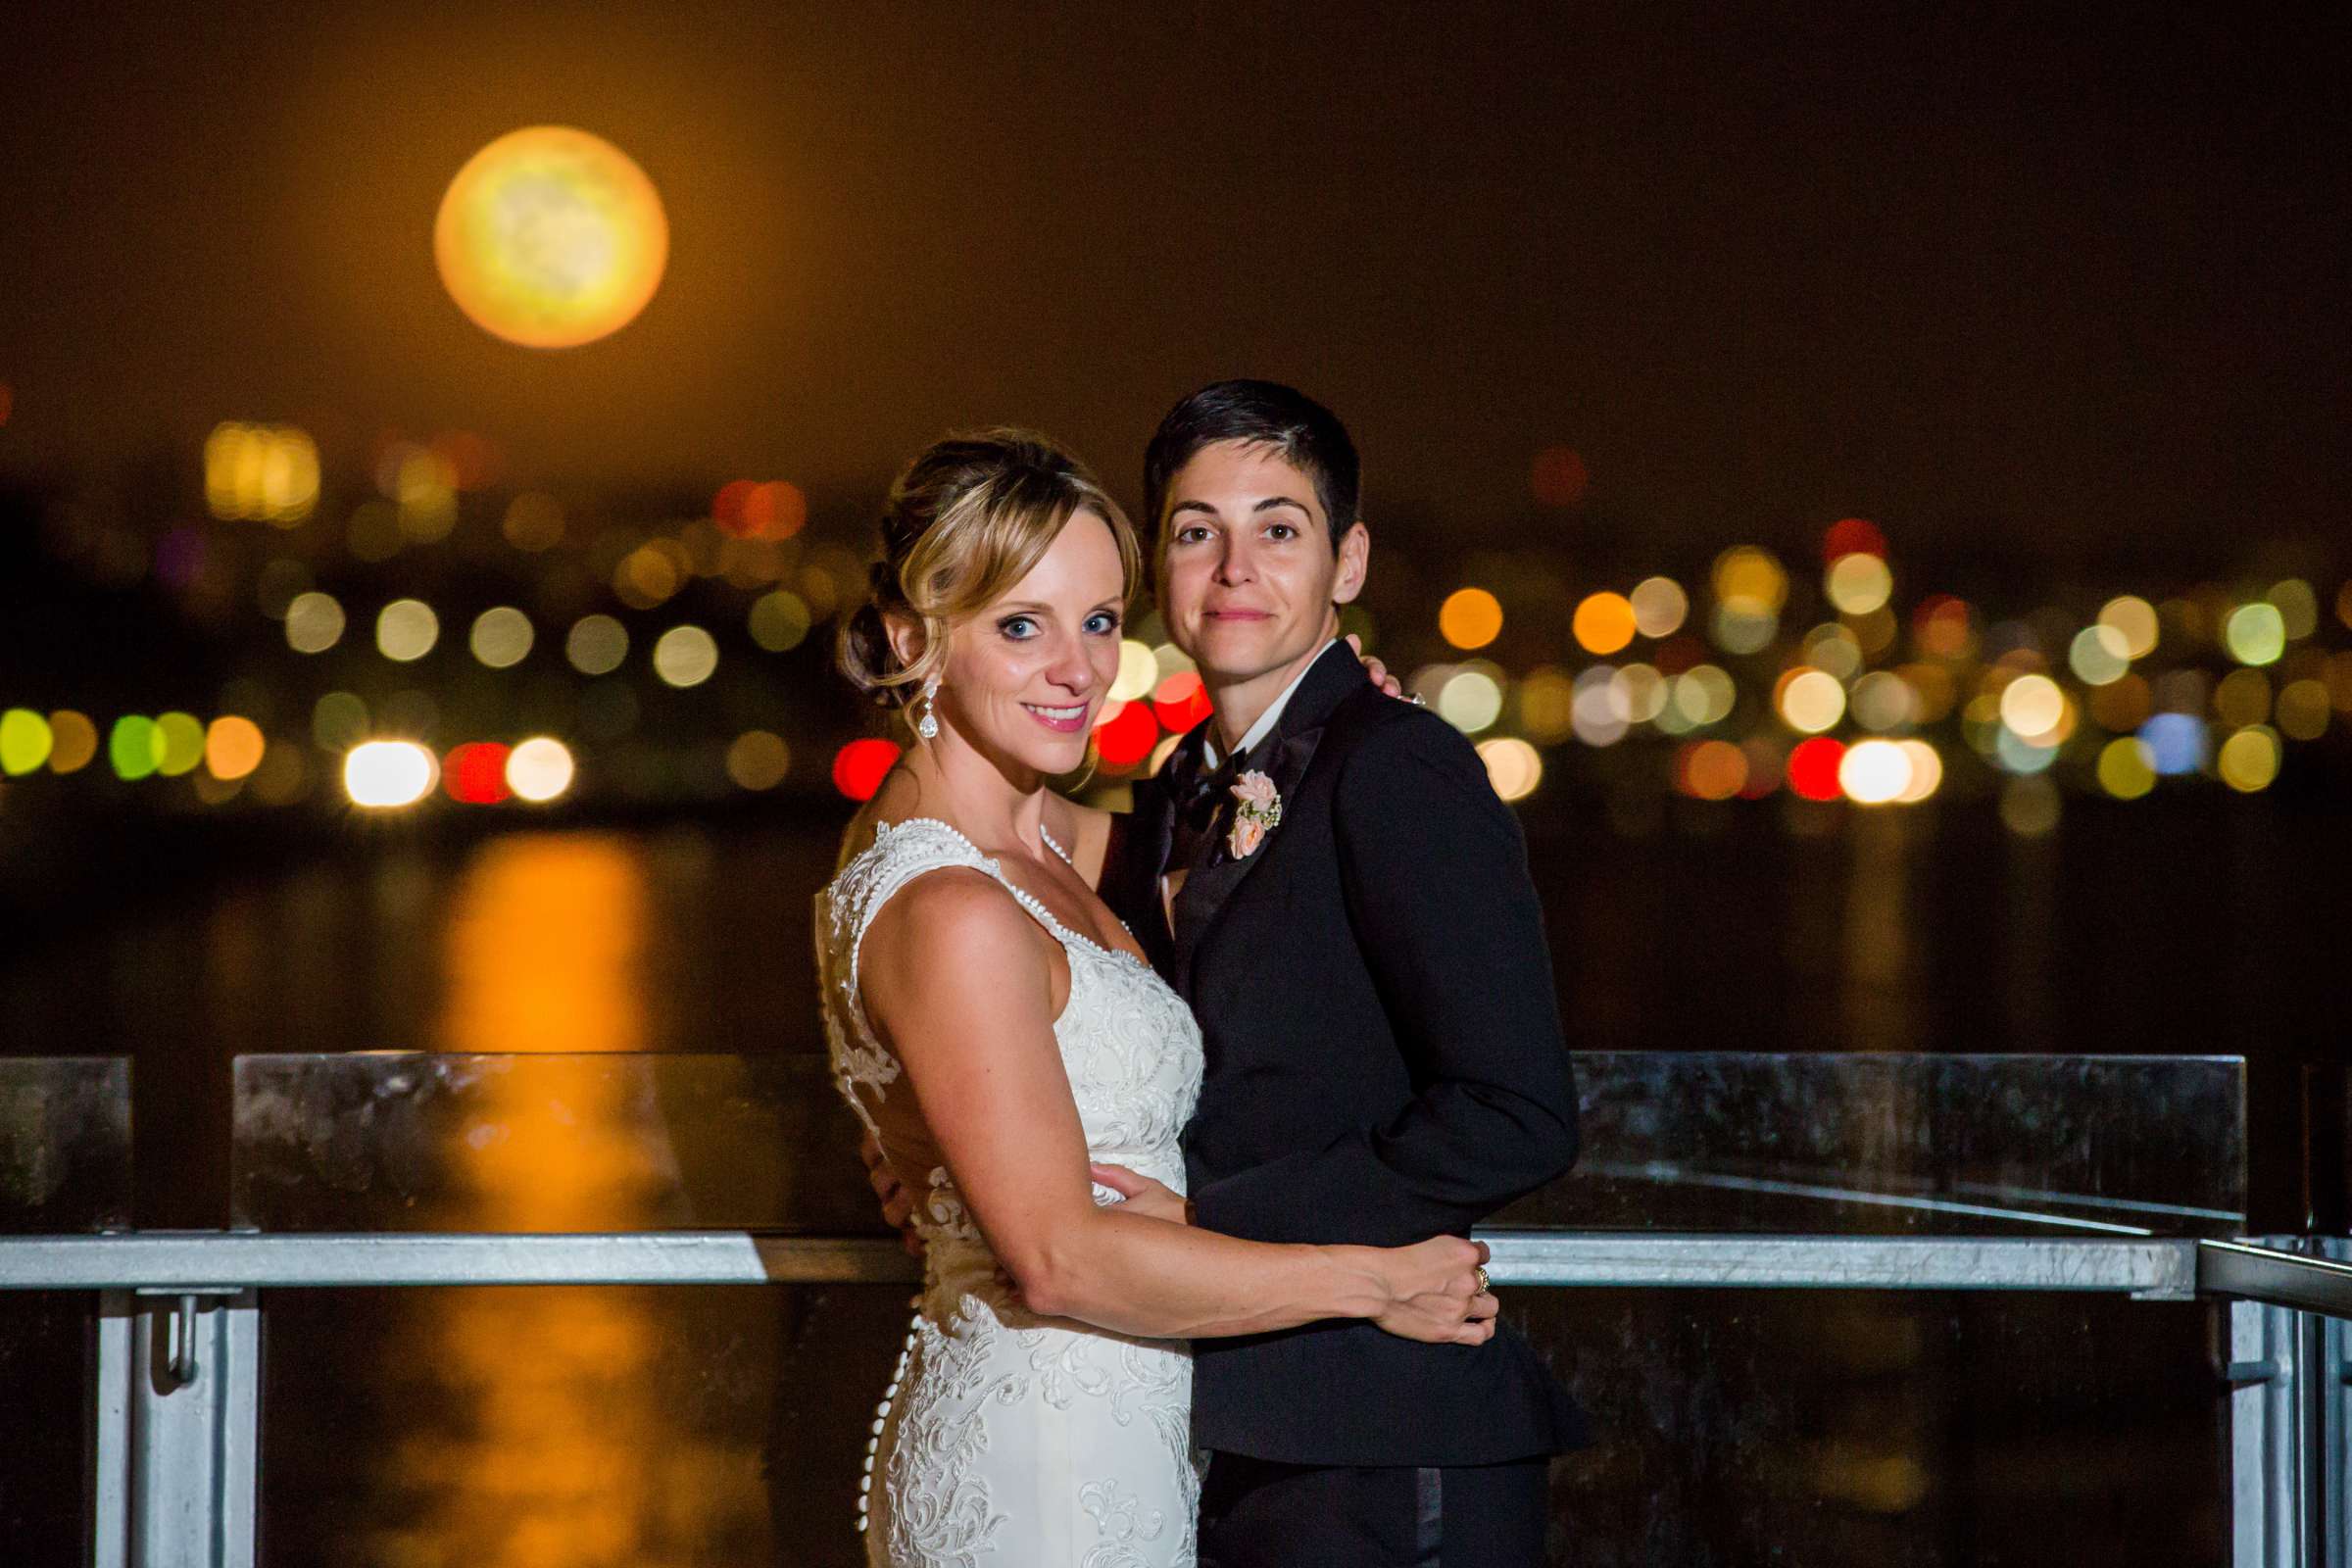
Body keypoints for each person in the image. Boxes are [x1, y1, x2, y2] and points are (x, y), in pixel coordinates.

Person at [815, 428, 1499, 1568]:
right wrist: (1375, 1279)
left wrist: (1334, 728)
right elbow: (1061, 1261)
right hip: (1040, 1470)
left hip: (1121, 1444)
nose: (1077, 668)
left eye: (1097, 621)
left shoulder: (1040, 847)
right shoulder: (952, 907)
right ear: (911, 638)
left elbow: (1234, 849)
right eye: (1021, 625)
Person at [1089, 379, 1591, 1566]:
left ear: (1347, 561)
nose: (1233, 569)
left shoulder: (1398, 766)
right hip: (1241, 1419)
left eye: (1280, 528)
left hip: (1388, 1438)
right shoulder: (1175, 791)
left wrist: (1211, 1219)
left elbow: (1517, 1115)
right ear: (1158, 563)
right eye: (1196, 530)